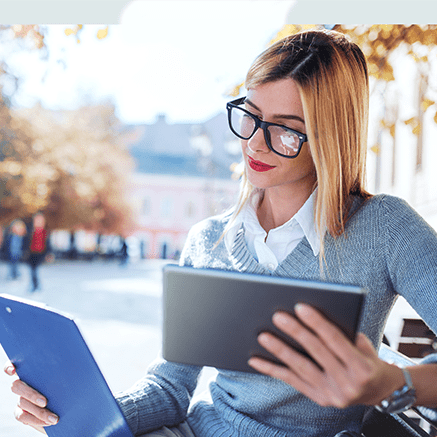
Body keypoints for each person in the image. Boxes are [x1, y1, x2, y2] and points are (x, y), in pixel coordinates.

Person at [4, 29, 437, 437]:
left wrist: (394, 383)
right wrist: (89, 416)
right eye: (250, 115)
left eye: (285, 129)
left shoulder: (384, 228)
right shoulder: (208, 239)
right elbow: (171, 387)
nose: (254, 143)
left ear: (332, 136)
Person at [26, 212, 50, 292]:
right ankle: (34, 285)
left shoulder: (45, 232)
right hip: (32, 254)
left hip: (40, 254)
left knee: (36, 271)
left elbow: (48, 244)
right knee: (32, 271)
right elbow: (27, 242)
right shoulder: (31, 231)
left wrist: (48, 254)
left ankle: (36, 286)